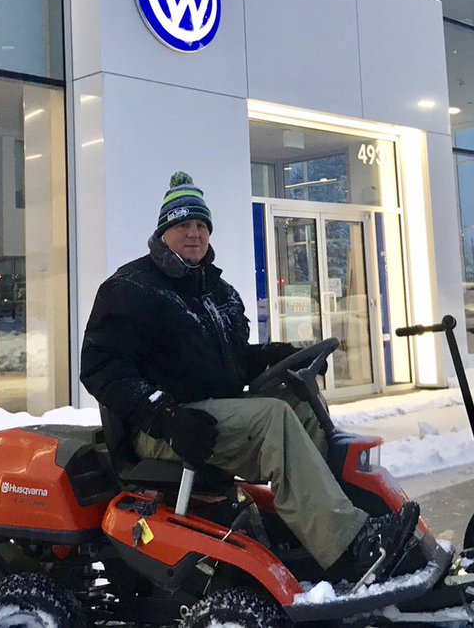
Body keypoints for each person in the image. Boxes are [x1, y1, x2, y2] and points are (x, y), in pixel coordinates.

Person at [80, 172, 419, 583]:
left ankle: (323, 532)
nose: (194, 234)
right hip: (166, 427)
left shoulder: (216, 291)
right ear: (164, 232)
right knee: (272, 420)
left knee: (298, 405)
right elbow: (101, 369)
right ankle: (350, 544)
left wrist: (276, 357)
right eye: (183, 225)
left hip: (210, 411)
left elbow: (229, 362)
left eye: (202, 225)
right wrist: (164, 417)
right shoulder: (131, 288)